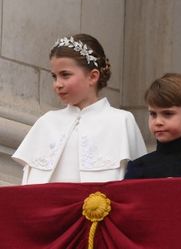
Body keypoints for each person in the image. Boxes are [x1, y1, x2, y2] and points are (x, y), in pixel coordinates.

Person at [13, 34, 146, 184]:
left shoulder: (121, 121)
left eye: (65, 75)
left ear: (93, 77)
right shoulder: (46, 122)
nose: (58, 84)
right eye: (54, 77)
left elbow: (139, 184)